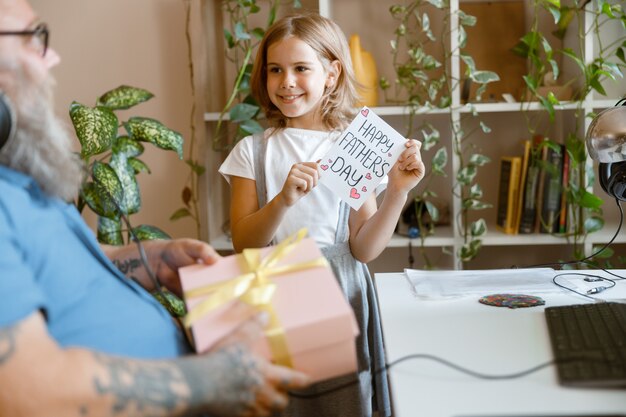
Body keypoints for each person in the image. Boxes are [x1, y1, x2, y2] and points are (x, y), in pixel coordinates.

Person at [0, 1, 310, 416]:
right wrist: (216, 378)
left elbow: (57, 272)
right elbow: (28, 394)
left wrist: (147, 261)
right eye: (34, 38)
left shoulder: (17, 177)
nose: (51, 57)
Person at [219, 12, 425, 417]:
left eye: (300, 68)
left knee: (340, 403)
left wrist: (397, 193)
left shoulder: (351, 147)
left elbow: (364, 248)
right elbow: (244, 244)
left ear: (331, 74)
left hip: (339, 290)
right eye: (275, 70)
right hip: (274, 293)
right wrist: (282, 201)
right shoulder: (252, 151)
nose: (286, 81)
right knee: (281, 403)